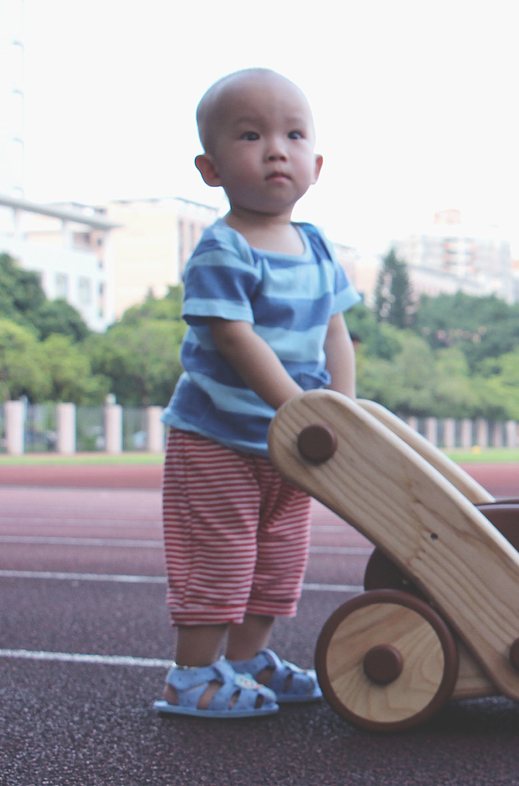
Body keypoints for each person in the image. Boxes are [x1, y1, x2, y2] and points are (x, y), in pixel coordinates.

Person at [152, 69, 360, 719]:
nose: (276, 148)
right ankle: (191, 678)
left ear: (316, 163)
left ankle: (245, 662)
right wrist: (299, 410)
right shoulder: (223, 249)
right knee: (220, 559)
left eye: (293, 135)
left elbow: (336, 333)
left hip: (290, 446)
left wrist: (341, 413)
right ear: (210, 168)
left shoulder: (319, 246)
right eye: (251, 135)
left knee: (277, 561)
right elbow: (237, 339)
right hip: (220, 439)